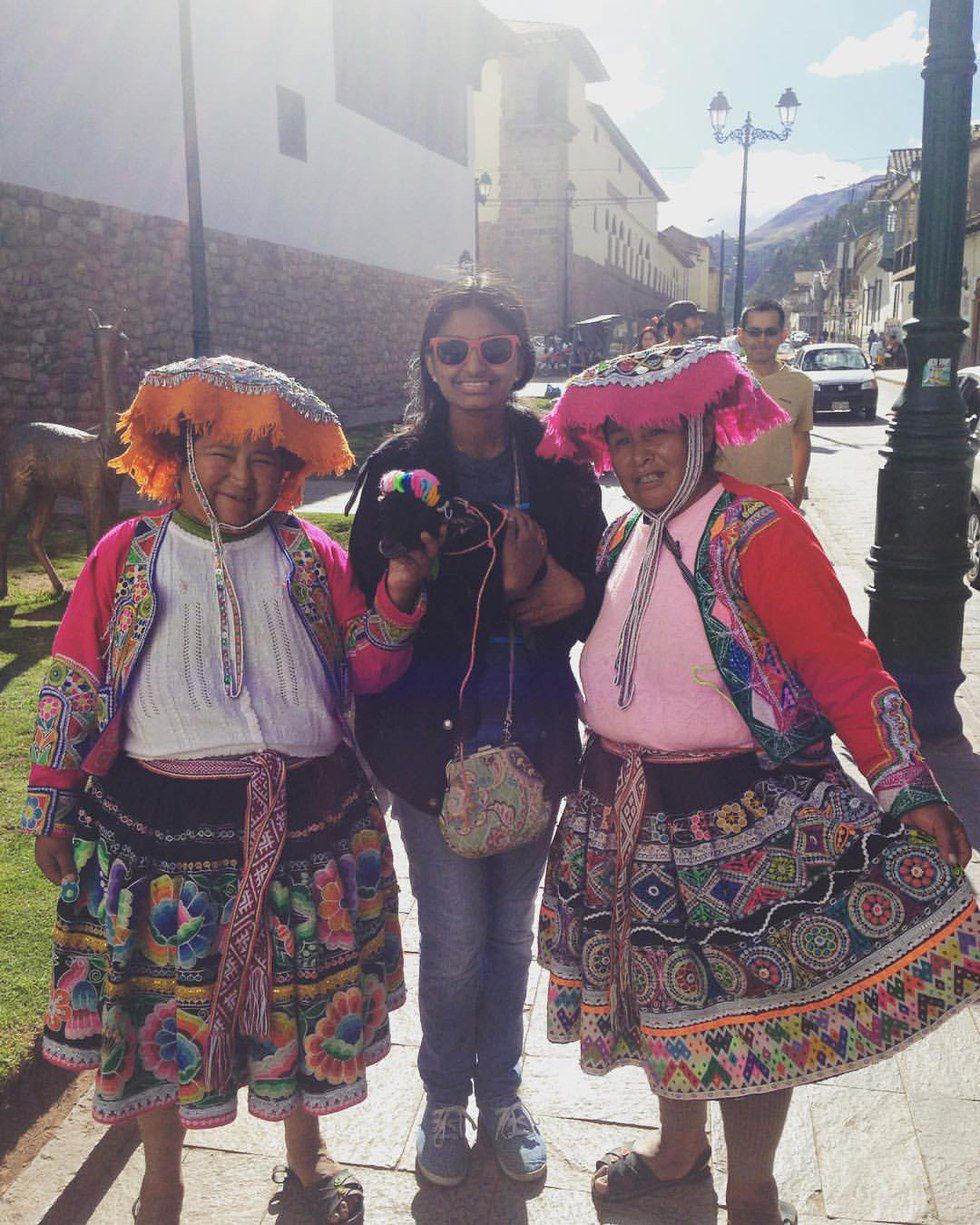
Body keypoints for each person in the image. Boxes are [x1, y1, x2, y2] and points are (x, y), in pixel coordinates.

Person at [536, 342, 979, 1225]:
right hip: (621, 805)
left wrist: (908, 784)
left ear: (703, 429)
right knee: (659, 996)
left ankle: (751, 1188)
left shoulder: (758, 528)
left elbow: (843, 666)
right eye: (622, 438)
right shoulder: (622, 535)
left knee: (749, 1013)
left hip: (736, 815)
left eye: (659, 432)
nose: (638, 456)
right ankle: (679, 1147)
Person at [24, 355, 437, 1225]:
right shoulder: (126, 556)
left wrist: (398, 601)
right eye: (219, 453)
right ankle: (163, 1178)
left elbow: (367, 663)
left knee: (301, 999)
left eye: (264, 459)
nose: (242, 478)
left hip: (306, 815)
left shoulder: (310, 555)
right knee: (160, 1007)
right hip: (159, 821)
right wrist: (51, 799)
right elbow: (73, 679)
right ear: (178, 451)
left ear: (288, 469)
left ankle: (308, 1154)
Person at [347, 276, 605, 1188]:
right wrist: (433, 585)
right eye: (452, 350)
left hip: (531, 733)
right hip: (432, 743)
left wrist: (561, 592)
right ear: (430, 359)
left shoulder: (560, 464)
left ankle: (502, 1094)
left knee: (509, 935)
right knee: (455, 940)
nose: (474, 366)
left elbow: (596, 599)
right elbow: (369, 604)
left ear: (522, 356)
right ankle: (444, 1098)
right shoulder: (396, 467)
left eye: (495, 348)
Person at [715, 300, 813, 506]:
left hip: (776, 500)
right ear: (741, 336)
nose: (762, 339)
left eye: (770, 332)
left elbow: (801, 440)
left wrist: (796, 497)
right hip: (724, 500)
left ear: (783, 335)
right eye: (754, 332)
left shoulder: (800, 383)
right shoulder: (721, 379)